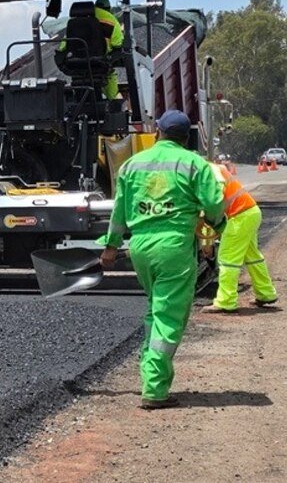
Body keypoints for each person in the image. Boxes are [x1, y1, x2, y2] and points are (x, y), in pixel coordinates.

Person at [98, 110, 224, 409]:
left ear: (158, 132)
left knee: (156, 309)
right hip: (174, 247)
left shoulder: (132, 165)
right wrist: (215, 224)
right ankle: (154, 388)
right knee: (168, 315)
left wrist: (111, 247)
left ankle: (150, 369)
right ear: (186, 138)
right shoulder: (194, 164)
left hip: (141, 247)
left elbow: (119, 212)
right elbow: (214, 203)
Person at [201, 160, 278, 314]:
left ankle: (226, 301)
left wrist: (206, 241)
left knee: (227, 258)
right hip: (251, 212)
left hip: (240, 216)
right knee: (252, 257)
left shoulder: (209, 171)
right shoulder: (214, 168)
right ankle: (266, 293)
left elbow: (212, 206)